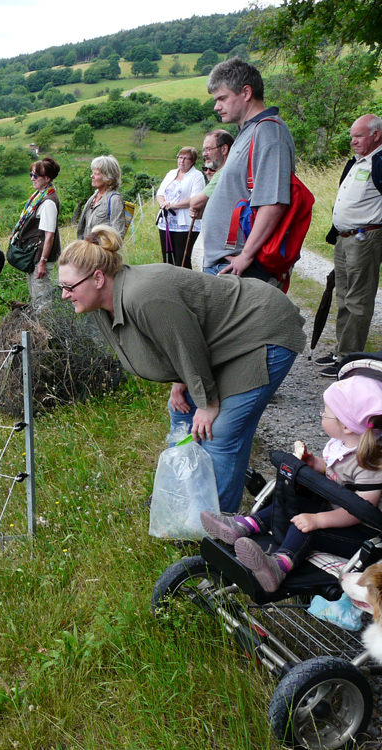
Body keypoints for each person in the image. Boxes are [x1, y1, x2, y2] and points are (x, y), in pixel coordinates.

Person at [57, 225, 305, 513]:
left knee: (221, 431)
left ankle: (213, 528)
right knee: (182, 411)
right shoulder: (102, 305)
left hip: (260, 330)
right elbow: (173, 343)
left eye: (69, 287)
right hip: (224, 343)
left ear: (98, 278)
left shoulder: (145, 296)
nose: (64, 295)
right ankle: (178, 500)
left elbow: (187, 346)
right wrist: (182, 380)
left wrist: (208, 402)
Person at [200, 376, 382, 593]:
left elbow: (361, 511)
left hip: (363, 533)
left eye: (325, 413)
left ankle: (279, 566)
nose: (322, 414)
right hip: (338, 510)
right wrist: (316, 464)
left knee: (305, 525)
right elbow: (339, 476)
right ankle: (243, 525)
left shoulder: (373, 463)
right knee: (293, 503)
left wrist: (318, 520)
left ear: (347, 426)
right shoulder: (343, 445)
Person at [200, 57, 295, 284]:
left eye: (222, 98)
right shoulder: (248, 131)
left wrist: (246, 256)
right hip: (227, 263)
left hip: (242, 268)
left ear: (246, 92)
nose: (216, 106)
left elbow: (274, 202)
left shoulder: (269, 132)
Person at [318, 114, 382, 378]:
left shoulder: (380, 162)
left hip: (364, 239)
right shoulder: (357, 162)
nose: (353, 141)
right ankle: (342, 352)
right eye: (352, 135)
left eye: (359, 135)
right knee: (343, 297)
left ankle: (349, 360)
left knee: (358, 300)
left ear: (376, 135)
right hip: (345, 239)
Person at [9, 157, 61, 311]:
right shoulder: (39, 197)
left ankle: (46, 331)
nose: (32, 178)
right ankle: (40, 330)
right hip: (35, 256)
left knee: (42, 301)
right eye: (31, 174)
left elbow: (49, 235)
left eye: (36, 176)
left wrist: (43, 261)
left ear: (47, 178)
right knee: (36, 298)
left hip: (40, 257)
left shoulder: (48, 202)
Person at [155, 147, 205, 267]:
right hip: (166, 221)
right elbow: (160, 192)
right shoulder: (171, 173)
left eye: (186, 158)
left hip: (185, 224)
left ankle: (185, 284)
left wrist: (173, 205)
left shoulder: (197, 176)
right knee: (167, 258)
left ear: (192, 161)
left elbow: (195, 199)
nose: (182, 161)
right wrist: (163, 204)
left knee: (182, 259)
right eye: (180, 157)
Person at [189, 129, 234, 221]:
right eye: (204, 150)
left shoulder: (224, 173)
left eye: (209, 149)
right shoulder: (233, 169)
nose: (205, 154)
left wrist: (196, 206)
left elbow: (195, 203)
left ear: (224, 149)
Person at [77, 155, 125, 240]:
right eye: (93, 172)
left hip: (101, 252)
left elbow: (117, 235)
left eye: (96, 173)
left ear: (108, 177)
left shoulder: (114, 199)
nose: (92, 176)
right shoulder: (94, 196)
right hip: (87, 250)